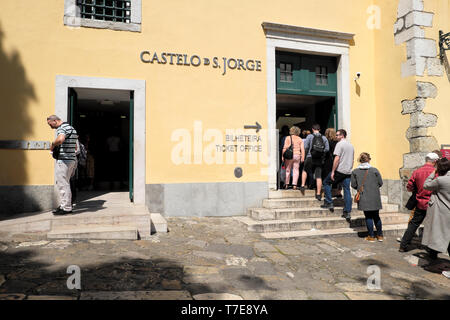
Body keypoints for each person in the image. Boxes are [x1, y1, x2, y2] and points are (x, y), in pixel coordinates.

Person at [399, 152, 439, 252]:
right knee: (433, 226)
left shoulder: (417, 171)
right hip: (433, 203)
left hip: (420, 202)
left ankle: (403, 245)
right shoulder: (436, 172)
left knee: (413, 224)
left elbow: (409, 187)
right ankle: (432, 251)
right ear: (435, 161)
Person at [47, 115, 79, 215]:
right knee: (66, 183)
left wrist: (52, 145)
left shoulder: (62, 128)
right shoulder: (71, 128)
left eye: (50, 124)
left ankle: (66, 208)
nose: (50, 127)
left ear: (55, 121)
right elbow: (75, 146)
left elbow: (60, 139)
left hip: (64, 161)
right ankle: (64, 205)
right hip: (71, 160)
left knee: (62, 184)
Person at [321, 129, 355, 221]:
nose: (336, 136)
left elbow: (337, 159)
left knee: (326, 182)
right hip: (348, 171)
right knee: (347, 190)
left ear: (342, 136)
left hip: (339, 170)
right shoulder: (351, 146)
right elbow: (352, 160)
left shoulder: (339, 145)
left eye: (337, 135)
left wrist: (332, 171)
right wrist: (350, 168)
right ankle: (347, 211)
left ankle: (329, 202)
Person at [421, 158, 450, 261]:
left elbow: (426, 185)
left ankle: (433, 256)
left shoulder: (440, 180)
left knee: (436, 233)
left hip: (441, 211)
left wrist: (433, 172)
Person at [351, 153, 384, 242]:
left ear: (359, 160)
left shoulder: (355, 171)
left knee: (368, 217)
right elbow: (380, 183)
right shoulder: (375, 170)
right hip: (375, 196)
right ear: (369, 159)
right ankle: (380, 235)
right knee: (376, 216)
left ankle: (371, 236)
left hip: (363, 196)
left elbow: (353, 185)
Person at [299, 124, 329, 200]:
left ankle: (302, 185)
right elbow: (327, 149)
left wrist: (305, 155)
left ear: (312, 129)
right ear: (319, 129)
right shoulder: (324, 138)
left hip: (310, 156)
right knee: (318, 176)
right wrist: (321, 153)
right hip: (319, 159)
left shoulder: (309, 136)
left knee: (305, 170)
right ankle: (318, 194)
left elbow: (306, 147)